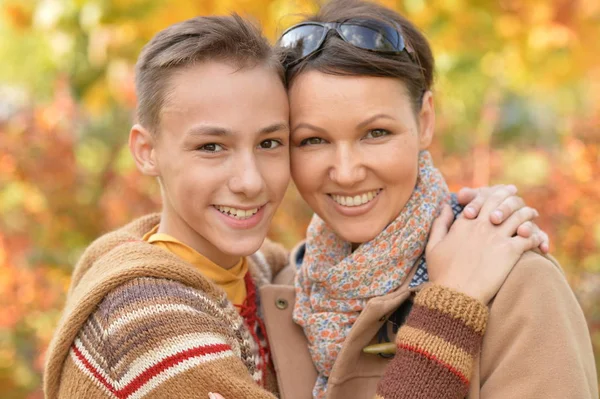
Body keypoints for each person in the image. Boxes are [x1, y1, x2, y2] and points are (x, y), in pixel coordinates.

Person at [44, 11, 553, 399]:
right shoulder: (147, 321)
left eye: (270, 143)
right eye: (211, 146)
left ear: (425, 123)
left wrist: (479, 212)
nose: (248, 181)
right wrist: (451, 307)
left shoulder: (280, 278)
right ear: (146, 151)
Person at [258, 0, 598, 398]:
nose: (346, 172)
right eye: (313, 140)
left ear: (424, 122)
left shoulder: (516, 285)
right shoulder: (288, 293)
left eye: (376, 133)